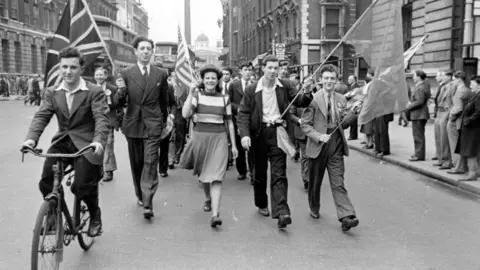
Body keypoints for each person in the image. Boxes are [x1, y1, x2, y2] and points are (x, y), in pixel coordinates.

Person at [22, 47, 110, 237]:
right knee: (46, 181)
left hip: (87, 143)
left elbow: (102, 119)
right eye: (64, 67)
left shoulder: (93, 91)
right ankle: (53, 215)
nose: (68, 72)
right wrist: (31, 139)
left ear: (81, 69)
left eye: (73, 67)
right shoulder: (53, 92)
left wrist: (98, 142)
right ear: (59, 68)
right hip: (63, 141)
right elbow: (42, 116)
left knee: (82, 185)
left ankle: (95, 214)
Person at [237, 55, 314, 229]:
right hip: (258, 134)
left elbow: (300, 101)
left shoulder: (285, 86)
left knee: (279, 172)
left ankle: (282, 212)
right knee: (260, 173)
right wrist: (244, 135)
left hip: (278, 132)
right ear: (262, 68)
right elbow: (243, 114)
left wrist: (307, 91)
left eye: (276, 68)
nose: (273, 71)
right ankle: (261, 203)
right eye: (270, 68)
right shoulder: (251, 89)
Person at [115, 36, 169, 219]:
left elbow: (164, 101)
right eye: (142, 48)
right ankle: (140, 192)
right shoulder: (126, 73)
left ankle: (148, 201)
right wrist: (120, 92)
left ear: (152, 52)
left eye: (148, 49)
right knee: (137, 163)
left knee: (150, 161)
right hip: (133, 123)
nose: (146, 52)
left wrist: (165, 120)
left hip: (153, 123)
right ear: (135, 51)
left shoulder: (161, 73)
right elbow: (118, 102)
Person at [300, 64, 359, 232]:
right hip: (318, 145)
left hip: (335, 146)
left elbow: (343, 124)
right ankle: (314, 207)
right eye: (326, 78)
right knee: (315, 183)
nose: (329, 81)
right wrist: (318, 136)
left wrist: (354, 113)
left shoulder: (341, 99)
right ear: (320, 80)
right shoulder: (313, 99)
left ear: (336, 80)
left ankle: (347, 216)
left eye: (332, 78)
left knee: (338, 182)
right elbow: (304, 125)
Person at [179, 65, 238, 228]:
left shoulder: (224, 98)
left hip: (219, 138)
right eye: (207, 78)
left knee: (217, 176)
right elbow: (185, 114)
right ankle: (207, 198)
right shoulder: (197, 94)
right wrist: (190, 93)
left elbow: (230, 122)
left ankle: (215, 214)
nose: (210, 81)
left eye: (213, 78)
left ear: (217, 80)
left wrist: (233, 145)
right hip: (200, 138)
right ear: (202, 80)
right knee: (205, 175)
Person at [228, 63, 254, 181]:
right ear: (241, 71)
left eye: (249, 70)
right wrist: (238, 108)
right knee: (239, 146)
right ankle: (242, 171)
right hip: (238, 120)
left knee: (252, 148)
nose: (248, 72)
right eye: (245, 70)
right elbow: (229, 102)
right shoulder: (234, 85)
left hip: (252, 120)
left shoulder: (256, 85)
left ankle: (253, 172)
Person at [94, 67, 119, 182]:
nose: (99, 77)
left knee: (108, 146)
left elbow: (116, 104)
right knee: (96, 145)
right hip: (94, 122)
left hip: (108, 121)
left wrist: (109, 97)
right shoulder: (90, 88)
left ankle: (108, 171)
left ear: (105, 76)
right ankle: (98, 169)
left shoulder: (113, 89)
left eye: (101, 75)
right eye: (97, 75)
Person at [455, 75, 480, 181]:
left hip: (473, 128)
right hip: (470, 128)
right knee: (470, 150)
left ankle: (472, 173)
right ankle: (475, 171)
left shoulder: (479, 97)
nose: (470, 86)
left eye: (473, 84)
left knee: (470, 150)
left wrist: (467, 121)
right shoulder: (476, 95)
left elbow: (479, 112)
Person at [406, 70, 431, 162]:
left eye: (414, 76)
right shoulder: (421, 86)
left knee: (418, 135)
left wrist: (409, 106)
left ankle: (419, 155)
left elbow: (420, 101)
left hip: (419, 114)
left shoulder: (420, 87)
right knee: (417, 135)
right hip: (419, 114)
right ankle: (418, 152)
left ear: (419, 77)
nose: (413, 77)